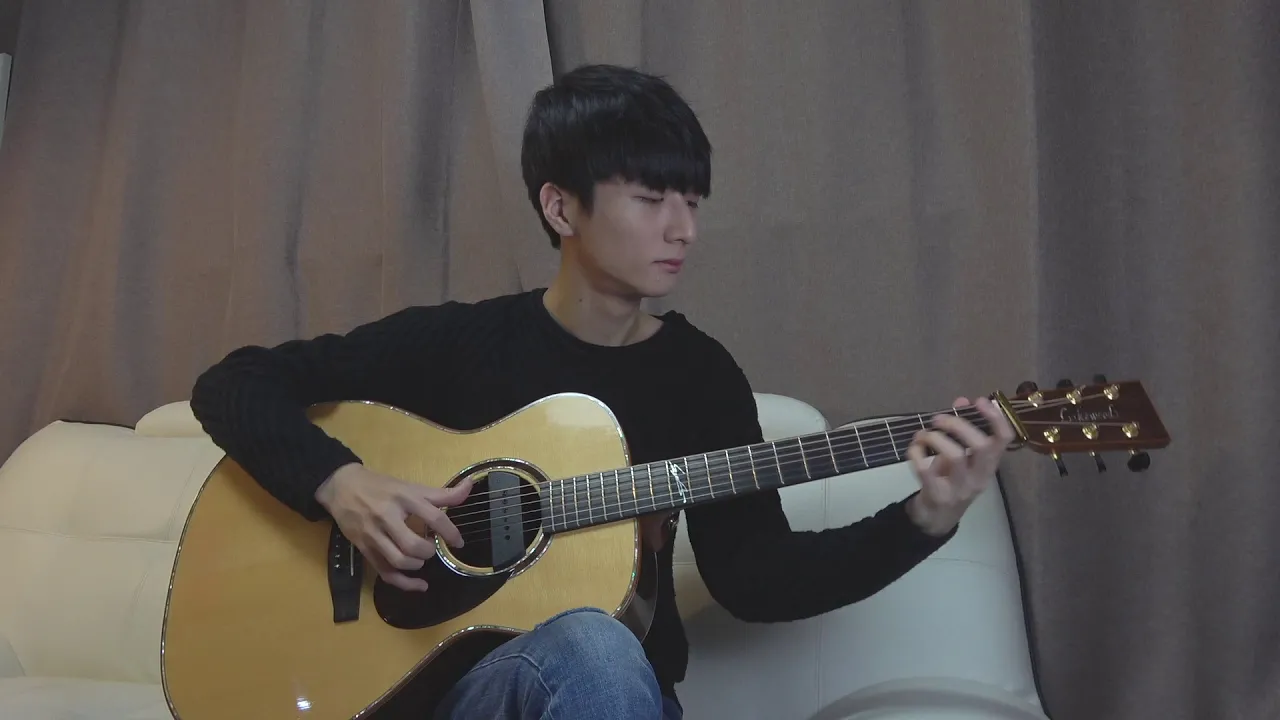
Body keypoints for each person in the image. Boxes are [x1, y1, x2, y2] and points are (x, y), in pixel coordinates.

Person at [189, 63, 1015, 720]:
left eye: (691, 202)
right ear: (561, 207)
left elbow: (756, 580)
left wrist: (926, 516)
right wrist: (341, 485)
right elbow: (232, 384)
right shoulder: (461, 342)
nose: (683, 228)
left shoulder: (698, 376)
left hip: (610, 691)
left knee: (594, 648)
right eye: (651, 199)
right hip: (438, 695)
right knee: (592, 644)